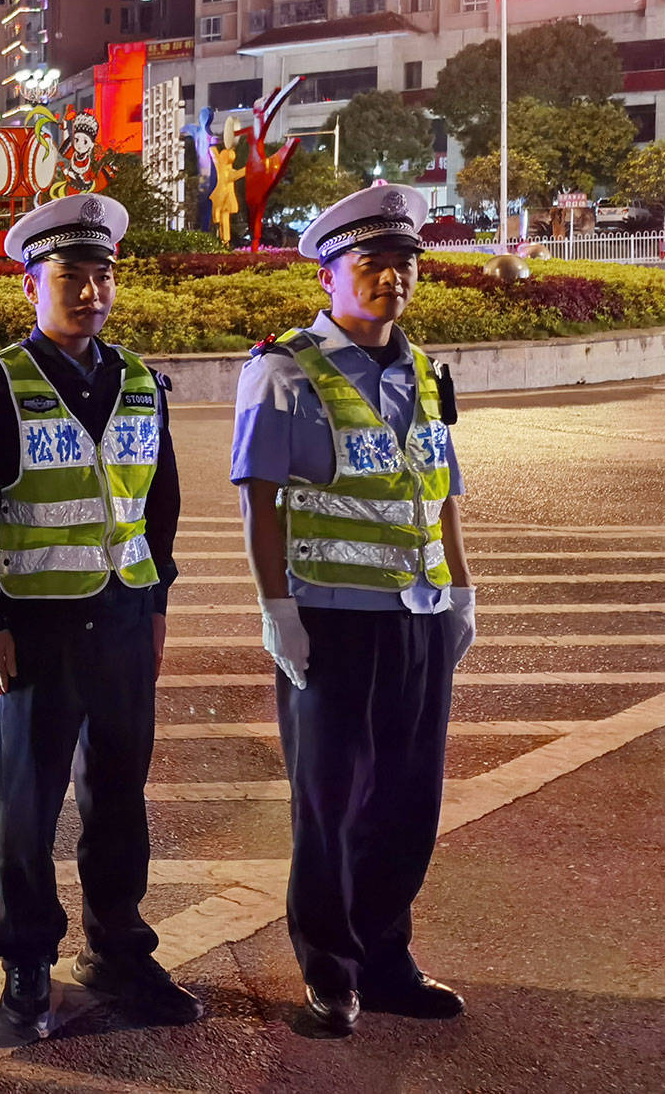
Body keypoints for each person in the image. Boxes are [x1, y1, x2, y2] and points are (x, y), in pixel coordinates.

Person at [0, 193, 201, 1038]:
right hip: (36, 627)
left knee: (120, 795)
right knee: (29, 802)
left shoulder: (138, 380)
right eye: (70, 276)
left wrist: (157, 597)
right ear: (31, 286)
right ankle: (27, 957)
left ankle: (119, 945)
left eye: (102, 276)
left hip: (124, 621)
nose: (89, 292)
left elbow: (157, 504)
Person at [231, 182, 477, 1036]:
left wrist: (463, 590)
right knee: (330, 804)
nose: (393, 279)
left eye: (405, 263)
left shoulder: (422, 368)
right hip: (329, 621)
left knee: (411, 798)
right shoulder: (284, 369)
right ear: (330, 275)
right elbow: (258, 497)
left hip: (419, 614)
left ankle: (388, 955)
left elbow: (439, 491)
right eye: (371, 263)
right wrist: (277, 609)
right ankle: (330, 973)